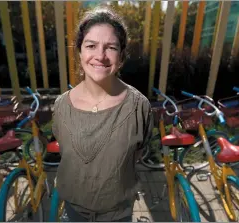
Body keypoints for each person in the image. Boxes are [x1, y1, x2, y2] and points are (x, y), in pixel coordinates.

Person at [52, 6, 154, 222]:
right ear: (80, 51)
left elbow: (137, 152)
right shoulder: (61, 106)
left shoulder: (139, 106)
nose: (100, 56)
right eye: (91, 46)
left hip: (119, 215)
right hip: (73, 211)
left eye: (111, 47)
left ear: (122, 55)